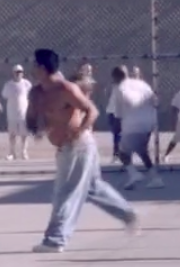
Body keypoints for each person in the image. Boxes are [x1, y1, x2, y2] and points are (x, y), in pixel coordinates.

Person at [26, 48, 138, 253]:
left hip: (79, 146)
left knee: (66, 191)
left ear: (42, 68)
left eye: (34, 65)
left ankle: (55, 239)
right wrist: (36, 128)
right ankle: (127, 214)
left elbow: (91, 111)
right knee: (93, 187)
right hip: (64, 148)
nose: (31, 68)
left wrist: (78, 131)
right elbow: (31, 118)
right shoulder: (36, 93)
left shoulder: (66, 89)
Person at [111, 66, 163, 189]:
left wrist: (118, 127)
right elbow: (155, 101)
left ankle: (133, 174)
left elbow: (118, 114)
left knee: (122, 153)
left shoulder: (119, 88)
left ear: (116, 77)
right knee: (142, 151)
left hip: (133, 124)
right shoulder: (141, 84)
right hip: (150, 122)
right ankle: (156, 178)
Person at [1, 64, 33, 161]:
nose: (18, 74)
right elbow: (4, 95)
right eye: (16, 72)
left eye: (20, 72)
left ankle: (24, 151)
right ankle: (12, 152)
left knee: (24, 134)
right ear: (13, 73)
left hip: (23, 112)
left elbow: (30, 95)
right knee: (12, 134)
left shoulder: (27, 84)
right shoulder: (8, 84)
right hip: (12, 113)